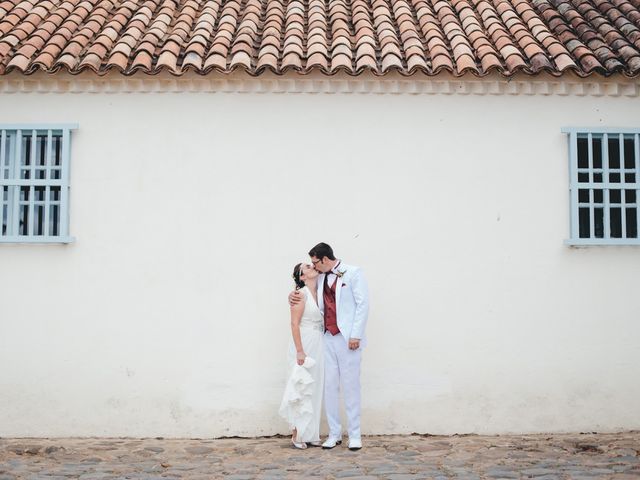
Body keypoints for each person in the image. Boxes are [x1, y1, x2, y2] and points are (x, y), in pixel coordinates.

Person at [290, 242, 369, 451]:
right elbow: (305, 294)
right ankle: (334, 434)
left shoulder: (353, 273)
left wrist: (356, 335)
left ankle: (354, 435)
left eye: (315, 262)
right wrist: (292, 294)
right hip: (327, 338)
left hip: (348, 339)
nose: (314, 267)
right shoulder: (321, 277)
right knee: (329, 387)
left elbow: (363, 304)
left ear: (324, 259)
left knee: (351, 386)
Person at [279, 263, 324, 449]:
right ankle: (297, 433)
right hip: (303, 342)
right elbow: (294, 324)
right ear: (302, 276)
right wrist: (299, 350)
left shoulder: (321, 292)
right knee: (301, 386)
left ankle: (311, 432)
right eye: (307, 266)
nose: (312, 266)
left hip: (318, 342)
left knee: (315, 386)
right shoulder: (300, 295)